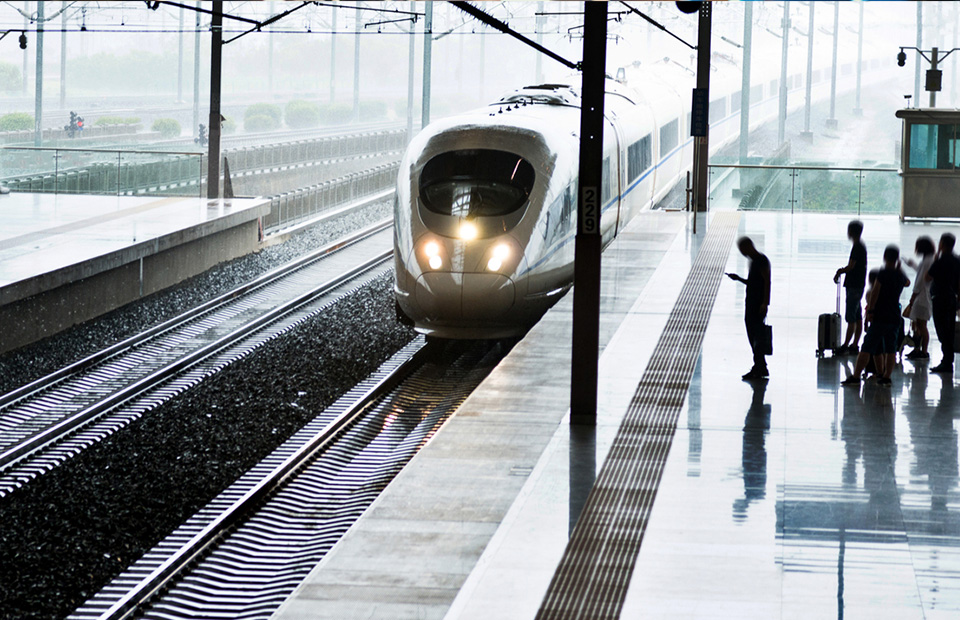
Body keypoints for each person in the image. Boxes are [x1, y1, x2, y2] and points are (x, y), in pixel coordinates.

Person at [842, 245, 910, 387]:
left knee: (867, 346)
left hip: (880, 315)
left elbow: (875, 293)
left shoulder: (882, 274)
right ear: (896, 259)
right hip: (894, 316)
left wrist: (870, 312)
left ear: (885, 257)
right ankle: (886, 376)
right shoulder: (900, 275)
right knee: (891, 349)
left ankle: (855, 376)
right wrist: (899, 268)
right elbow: (907, 283)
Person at [726, 237, 771, 380]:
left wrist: (765, 303)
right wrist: (738, 278)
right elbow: (753, 283)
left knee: (757, 337)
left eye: (743, 249)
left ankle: (759, 367)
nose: (742, 253)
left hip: (757, 306)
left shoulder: (761, 261)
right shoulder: (753, 262)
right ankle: (760, 366)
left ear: (749, 246)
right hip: (751, 304)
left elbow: (767, 282)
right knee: (753, 337)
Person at [926, 233, 960, 373]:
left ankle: (947, 361)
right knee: (949, 330)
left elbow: (927, 278)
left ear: (942, 244)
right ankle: (948, 360)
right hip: (952, 298)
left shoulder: (940, 261)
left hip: (940, 298)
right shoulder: (957, 260)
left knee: (942, 331)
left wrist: (936, 258)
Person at [834, 220, 867, 355]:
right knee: (857, 316)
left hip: (853, 286)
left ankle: (846, 345)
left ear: (851, 232)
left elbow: (851, 266)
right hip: (859, 285)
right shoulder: (861, 246)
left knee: (851, 318)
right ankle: (854, 345)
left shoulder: (857, 247)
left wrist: (839, 271)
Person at [904, 236, 935, 360]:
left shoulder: (927, 261)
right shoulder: (929, 260)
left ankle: (923, 350)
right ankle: (920, 349)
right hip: (925, 296)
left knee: (921, 325)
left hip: (921, 297)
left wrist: (913, 296)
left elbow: (920, 281)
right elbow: (922, 272)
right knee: (920, 325)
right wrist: (913, 265)